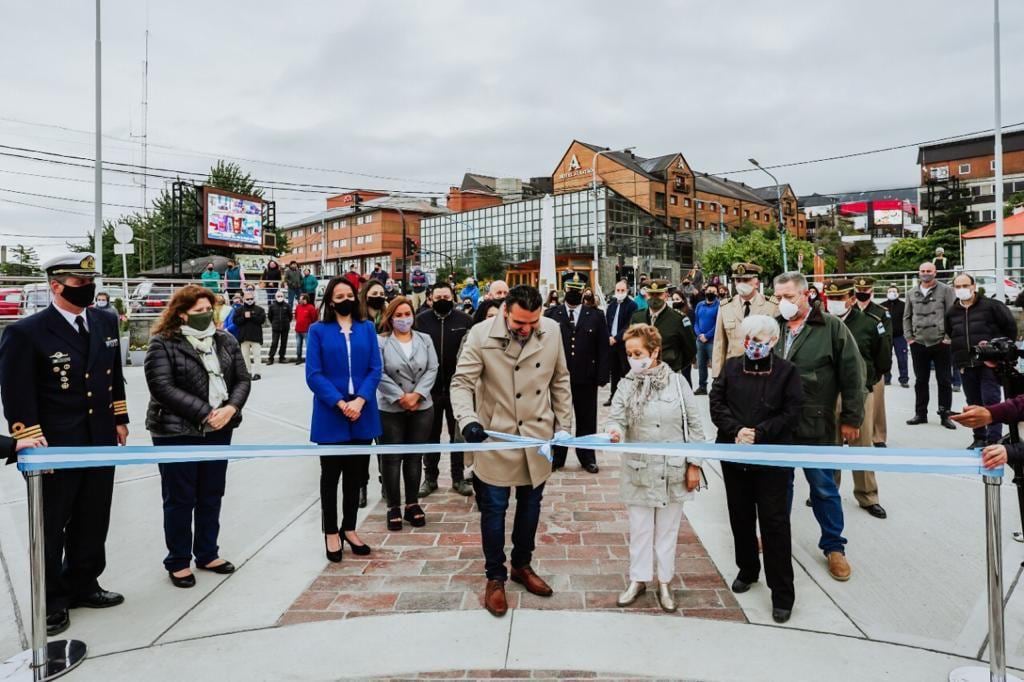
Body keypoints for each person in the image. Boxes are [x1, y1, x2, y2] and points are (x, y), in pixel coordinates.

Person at [0, 253, 129, 635]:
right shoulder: (27, 332)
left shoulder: (105, 319)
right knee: (51, 524)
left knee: (93, 517)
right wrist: (25, 434)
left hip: (100, 437)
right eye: (78, 282)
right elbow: (16, 389)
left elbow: (113, 373)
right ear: (55, 286)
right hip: (54, 442)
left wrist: (119, 417)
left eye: (90, 281)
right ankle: (52, 599)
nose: (88, 288)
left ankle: (85, 583)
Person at [450, 285, 573, 617]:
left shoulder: (552, 331)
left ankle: (522, 564)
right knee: (494, 509)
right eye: (520, 322)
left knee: (531, 505)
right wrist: (468, 420)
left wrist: (564, 428)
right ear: (506, 310)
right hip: (496, 437)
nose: (526, 329)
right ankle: (495, 576)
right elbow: (461, 383)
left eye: (533, 322)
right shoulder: (480, 334)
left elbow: (560, 380)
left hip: (537, 436)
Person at [144, 285, 251, 588]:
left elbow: (242, 378)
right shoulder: (163, 343)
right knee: (180, 498)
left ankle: (207, 552)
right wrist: (206, 413)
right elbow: (162, 387)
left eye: (209, 310)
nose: (206, 316)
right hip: (176, 431)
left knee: (211, 493)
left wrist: (230, 409)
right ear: (180, 313)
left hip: (220, 429)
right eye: (198, 312)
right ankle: (178, 561)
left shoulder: (225, 340)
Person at [709, 314, 802, 624]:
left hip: (771, 457)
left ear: (773, 342)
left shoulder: (787, 371)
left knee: (774, 523)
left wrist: (759, 432)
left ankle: (782, 593)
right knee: (740, 515)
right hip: (735, 454)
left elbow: (792, 411)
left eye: (759, 341)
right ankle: (748, 568)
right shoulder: (733, 366)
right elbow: (716, 401)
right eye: (748, 340)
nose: (752, 346)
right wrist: (736, 430)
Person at [606, 324, 705, 614]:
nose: (633, 358)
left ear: (655, 351)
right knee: (639, 530)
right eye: (629, 354)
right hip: (639, 469)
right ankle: (638, 579)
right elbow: (616, 417)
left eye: (639, 353)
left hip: (673, 469)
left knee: (667, 531)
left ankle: (664, 580)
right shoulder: (626, 384)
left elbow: (695, 425)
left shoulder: (678, 383)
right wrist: (614, 431)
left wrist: (694, 465)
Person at [773, 271, 864, 582]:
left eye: (789, 296)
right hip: (779, 426)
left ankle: (834, 547)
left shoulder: (831, 327)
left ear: (806, 295)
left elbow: (853, 373)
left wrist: (852, 417)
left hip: (818, 424)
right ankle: (775, 537)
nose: (783, 303)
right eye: (779, 297)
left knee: (824, 488)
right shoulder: (775, 329)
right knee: (777, 488)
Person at [306, 276, 382, 562]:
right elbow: (314, 374)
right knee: (331, 477)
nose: (345, 300)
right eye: (338, 296)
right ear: (329, 301)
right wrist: (340, 403)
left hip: (362, 411)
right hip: (331, 413)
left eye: (349, 295)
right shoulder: (318, 331)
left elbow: (375, 368)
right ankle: (331, 532)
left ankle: (349, 527)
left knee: (356, 476)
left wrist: (360, 400)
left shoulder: (367, 329)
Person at [825, 280, 889, 520]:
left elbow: (882, 358)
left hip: (860, 392)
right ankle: (827, 490)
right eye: (831, 299)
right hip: (828, 393)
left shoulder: (869, 323)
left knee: (861, 446)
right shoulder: (822, 322)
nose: (835, 303)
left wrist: (868, 381)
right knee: (829, 445)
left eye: (840, 299)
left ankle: (867, 496)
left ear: (851, 299)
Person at [377, 297, 438, 530]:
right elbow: (378, 372)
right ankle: (393, 505)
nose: (404, 319)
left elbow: (432, 368)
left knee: (414, 457)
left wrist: (417, 395)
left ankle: (412, 504)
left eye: (407, 314)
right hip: (391, 407)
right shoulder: (381, 342)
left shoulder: (425, 339)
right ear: (390, 318)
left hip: (421, 406)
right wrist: (400, 397)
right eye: (399, 315)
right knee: (391, 459)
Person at [544, 275, 609, 473]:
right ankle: (557, 456)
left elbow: (603, 347)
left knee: (586, 419)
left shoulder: (596, 316)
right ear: (564, 290)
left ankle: (587, 456)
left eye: (577, 290)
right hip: (558, 378)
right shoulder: (552, 314)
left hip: (586, 376)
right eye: (570, 289)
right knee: (558, 418)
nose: (573, 293)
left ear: (583, 292)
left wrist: (602, 375)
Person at [416, 282, 474, 497]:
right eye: (438, 296)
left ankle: (458, 478)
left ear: (453, 297)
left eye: (446, 296)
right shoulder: (420, 321)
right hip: (429, 388)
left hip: (457, 389)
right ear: (430, 298)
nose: (442, 300)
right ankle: (430, 477)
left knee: (458, 436)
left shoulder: (465, 320)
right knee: (430, 435)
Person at [946, 273, 1017, 448]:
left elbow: (1010, 329)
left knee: (991, 402)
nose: (962, 289)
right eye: (958, 286)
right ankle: (979, 437)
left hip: (989, 363)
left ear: (974, 286)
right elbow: (951, 333)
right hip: (965, 363)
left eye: (965, 286)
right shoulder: (952, 312)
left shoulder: (992, 306)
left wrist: (998, 352)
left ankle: (993, 440)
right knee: (973, 402)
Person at [904, 262, 957, 429]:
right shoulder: (911, 292)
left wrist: (948, 337)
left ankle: (945, 414)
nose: (925, 273)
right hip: (918, 342)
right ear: (918, 273)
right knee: (920, 380)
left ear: (935, 273)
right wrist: (909, 337)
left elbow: (953, 314)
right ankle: (920, 414)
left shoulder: (946, 290)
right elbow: (907, 316)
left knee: (944, 380)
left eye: (929, 271)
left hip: (941, 341)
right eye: (922, 271)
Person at [711, 263, 779, 382]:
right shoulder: (725, 306)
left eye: (746, 280)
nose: (741, 283)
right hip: (733, 372)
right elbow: (719, 343)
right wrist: (717, 375)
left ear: (756, 283)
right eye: (738, 280)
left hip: (762, 371)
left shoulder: (771, 306)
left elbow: (777, 343)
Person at [852, 277, 893, 450]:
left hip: (873, 364)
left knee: (876, 402)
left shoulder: (880, 312)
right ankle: (854, 433)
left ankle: (878, 435)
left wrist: (881, 367)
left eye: (865, 291)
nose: (862, 294)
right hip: (852, 364)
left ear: (871, 292)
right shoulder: (849, 310)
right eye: (858, 292)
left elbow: (886, 340)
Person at [630, 279, 697, 383]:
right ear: (646, 295)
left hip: (669, 376)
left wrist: (675, 365)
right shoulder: (637, 317)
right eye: (651, 294)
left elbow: (690, 349)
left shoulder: (678, 319)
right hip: (642, 376)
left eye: (658, 294)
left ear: (666, 295)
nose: (654, 298)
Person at [605, 279, 638, 406]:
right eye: (618, 290)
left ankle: (629, 397)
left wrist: (616, 338)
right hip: (611, 344)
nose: (619, 292)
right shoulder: (612, 305)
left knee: (626, 371)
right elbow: (607, 322)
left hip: (624, 343)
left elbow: (628, 325)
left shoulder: (632, 305)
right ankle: (613, 396)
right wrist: (608, 336)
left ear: (627, 291)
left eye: (622, 290)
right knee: (614, 372)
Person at [234, 290, 266, 380]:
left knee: (257, 356)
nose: (249, 300)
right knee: (245, 356)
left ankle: (257, 373)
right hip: (244, 337)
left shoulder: (259, 309)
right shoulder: (239, 310)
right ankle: (247, 372)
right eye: (247, 299)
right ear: (244, 299)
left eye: (251, 298)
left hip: (256, 337)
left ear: (254, 299)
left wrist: (252, 316)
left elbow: (262, 320)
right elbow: (236, 322)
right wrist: (244, 317)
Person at [692, 284, 719, 393]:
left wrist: (707, 336)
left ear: (716, 293)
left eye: (713, 291)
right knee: (701, 364)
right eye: (709, 290)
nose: (710, 293)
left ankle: (716, 388)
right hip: (700, 340)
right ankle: (702, 387)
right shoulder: (699, 305)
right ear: (705, 291)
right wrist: (699, 334)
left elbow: (718, 324)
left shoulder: (719, 306)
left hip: (712, 341)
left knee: (715, 365)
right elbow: (696, 322)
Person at [881, 286, 909, 388]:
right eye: (890, 291)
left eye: (894, 291)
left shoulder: (904, 305)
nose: (892, 293)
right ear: (886, 293)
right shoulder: (882, 306)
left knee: (902, 359)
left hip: (900, 336)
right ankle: (886, 378)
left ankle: (904, 379)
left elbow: (908, 319)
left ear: (898, 293)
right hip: (886, 337)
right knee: (886, 358)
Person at [265, 290, 292, 366]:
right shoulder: (272, 306)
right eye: (278, 296)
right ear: (275, 297)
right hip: (276, 328)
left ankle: (282, 357)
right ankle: (271, 358)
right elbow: (270, 317)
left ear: (283, 297)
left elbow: (290, 316)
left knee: (284, 343)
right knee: (274, 343)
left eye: (281, 296)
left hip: (285, 327)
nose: (280, 297)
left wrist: (286, 322)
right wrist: (274, 323)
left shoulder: (287, 305)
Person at [293, 293, 317, 364]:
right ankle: (299, 358)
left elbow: (314, 318)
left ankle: (310, 359)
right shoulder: (298, 307)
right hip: (298, 330)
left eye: (302, 299)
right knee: (298, 345)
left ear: (306, 299)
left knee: (308, 346)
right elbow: (296, 316)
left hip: (307, 331)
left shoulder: (311, 307)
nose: (300, 300)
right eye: (300, 298)